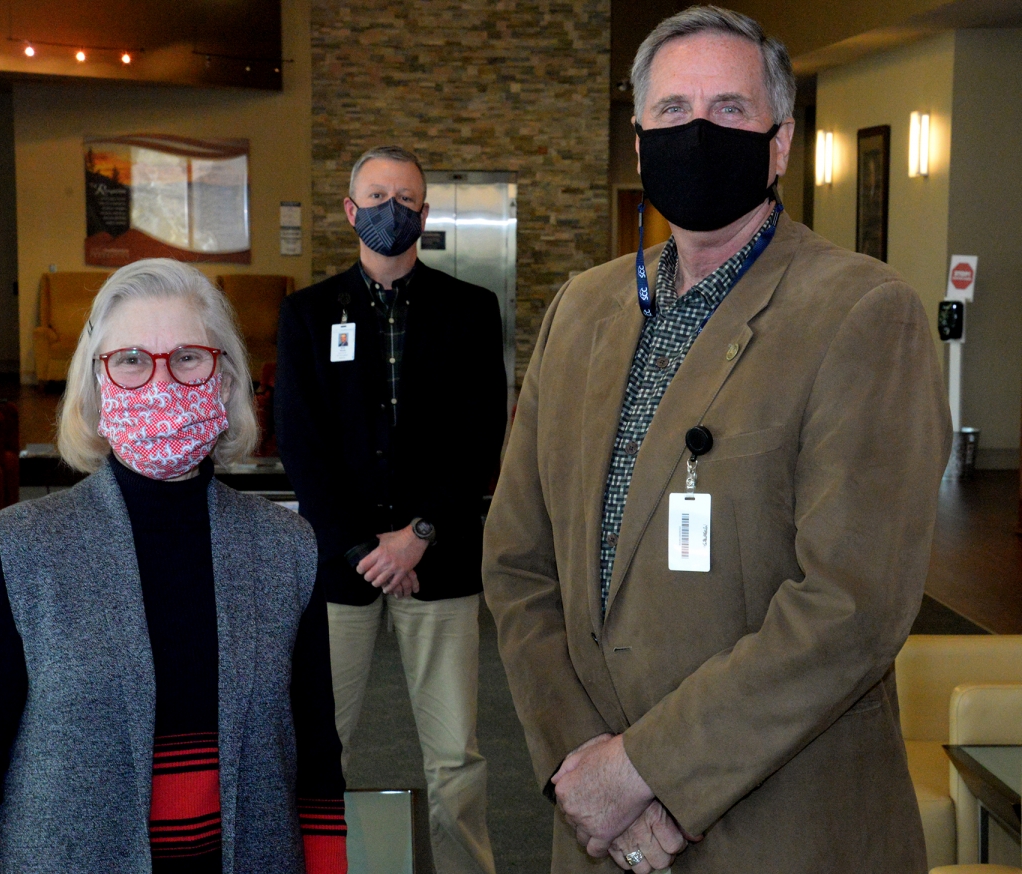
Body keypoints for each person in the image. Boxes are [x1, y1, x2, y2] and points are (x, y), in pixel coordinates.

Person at [482, 7, 951, 873]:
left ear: (779, 145)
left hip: (784, 828)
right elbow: (517, 559)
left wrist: (645, 772)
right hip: (597, 826)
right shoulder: (580, 309)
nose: (698, 131)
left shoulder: (861, 314)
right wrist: (583, 765)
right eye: (671, 111)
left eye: (730, 110)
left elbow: (851, 607)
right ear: (636, 140)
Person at [0, 259, 347, 874]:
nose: (160, 382)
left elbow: (314, 757)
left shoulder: (285, 548)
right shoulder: (26, 549)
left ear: (226, 382)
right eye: (129, 360)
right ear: (96, 389)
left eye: (187, 358)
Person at [275, 146, 506, 874]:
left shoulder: (471, 310)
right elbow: (301, 444)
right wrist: (363, 549)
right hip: (340, 568)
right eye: (377, 196)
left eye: (406, 199)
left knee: (455, 759)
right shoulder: (309, 315)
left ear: (425, 215)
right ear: (350, 211)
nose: (391, 210)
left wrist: (418, 536)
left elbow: (480, 438)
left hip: (438, 562)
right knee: (320, 746)